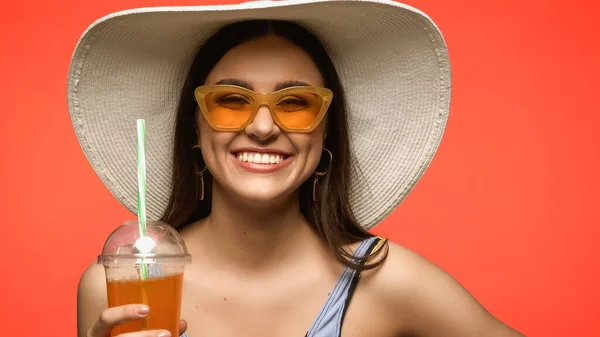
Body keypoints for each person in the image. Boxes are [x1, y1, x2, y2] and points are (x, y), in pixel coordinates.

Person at [70, 0, 525, 336]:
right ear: (195, 128)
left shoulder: (387, 281)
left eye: (295, 103)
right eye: (231, 101)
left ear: (327, 133)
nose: (263, 127)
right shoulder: (122, 285)